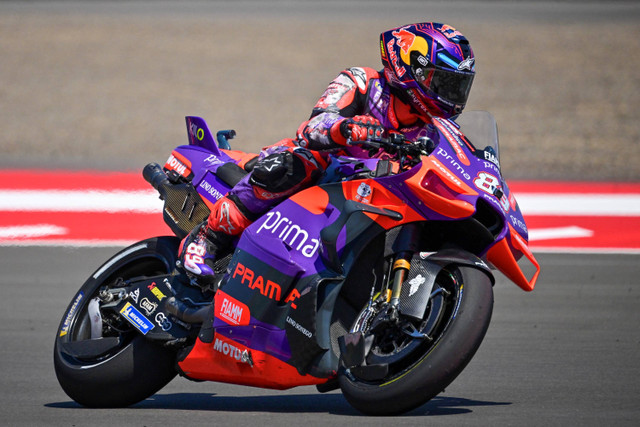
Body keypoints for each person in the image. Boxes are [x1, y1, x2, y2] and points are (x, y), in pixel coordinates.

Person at [179, 22, 476, 280]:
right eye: (444, 82)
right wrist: (345, 129)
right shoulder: (363, 82)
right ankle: (207, 238)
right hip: (323, 172)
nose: (452, 96)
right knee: (301, 161)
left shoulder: (434, 129)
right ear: (412, 69)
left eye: (457, 87)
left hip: (367, 198)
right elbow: (313, 126)